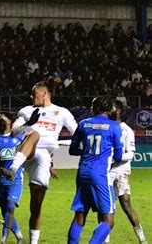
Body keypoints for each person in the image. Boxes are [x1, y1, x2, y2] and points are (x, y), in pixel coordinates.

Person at [6, 81, 78, 244]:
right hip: (27, 151)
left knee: (36, 206)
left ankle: (34, 242)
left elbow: (77, 132)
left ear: (44, 94)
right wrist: (28, 124)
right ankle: (13, 168)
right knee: (35, 134)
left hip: (44, 157)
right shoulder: (26, 111)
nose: (31, 97)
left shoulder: (62, 112)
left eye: (34, 94)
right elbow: (13, 133)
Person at [67, 97, 123, 243]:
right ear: (110, 109)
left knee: (80, 216)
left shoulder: (84, 124)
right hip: (100, 176)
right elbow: (119, 156)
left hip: (83, 173)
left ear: (93, 108)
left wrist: (87, 152)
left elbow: (72, 150)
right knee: (108, 220)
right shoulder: (114, 126)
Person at [0, 113, 40, 244]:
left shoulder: (20, 138)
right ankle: (19, 236)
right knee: (5, 212)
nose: (1, 119)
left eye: (4, 118)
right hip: (1, 181)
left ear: (10, 123)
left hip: (16, 180)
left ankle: (3, 239)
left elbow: (33, 146)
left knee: (10, 207)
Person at [103, 100, 147, 243]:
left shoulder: (126, 130)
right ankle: (106, 240)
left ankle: (142, 238)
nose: (109, 110)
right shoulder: (106, 127)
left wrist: (118, 158)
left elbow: (131, 153)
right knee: (106, 207)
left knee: (126, 205)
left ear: (118, 111)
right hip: (107, 172)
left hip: (121, 171)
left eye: (112, 108)